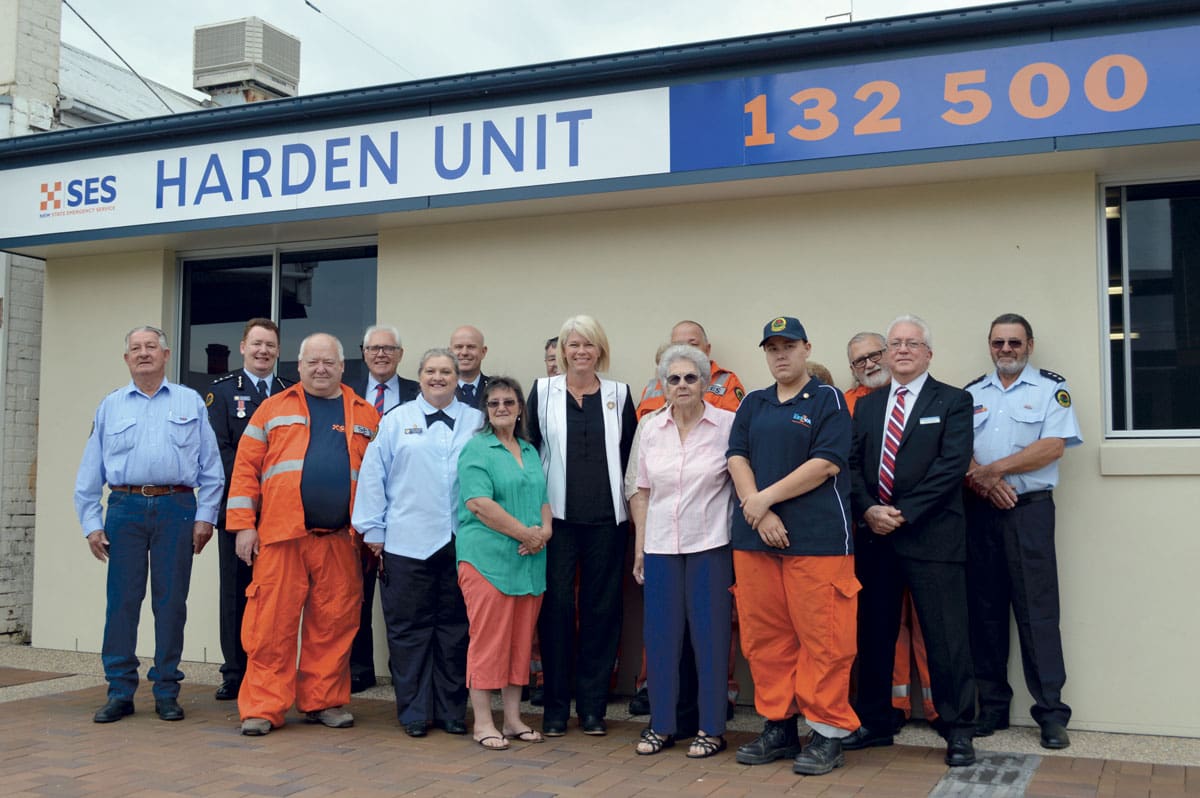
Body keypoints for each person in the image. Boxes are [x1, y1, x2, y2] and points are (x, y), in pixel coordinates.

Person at [726, 316, 860, 777]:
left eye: (788, 346)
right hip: (754, 538)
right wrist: (757, 510)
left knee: (823, 638)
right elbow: (736, 456)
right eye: (771, 348)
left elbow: (826, 463)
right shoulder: (755, 404)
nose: (780, 355)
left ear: (806, 348)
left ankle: (826, 732)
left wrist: (766, 499)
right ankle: (779, 726)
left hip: (818, 541)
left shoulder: (828, 400)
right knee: (766, 639)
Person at [227, 333, 380, 736]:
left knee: (334, 624)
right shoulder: (272, 409)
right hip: (281, 537)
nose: (321, 368)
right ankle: (262, 707)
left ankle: (323, 701)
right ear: (299, 366)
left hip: (341, 540)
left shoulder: (366, 414)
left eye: (329, 361)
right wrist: (243, 526)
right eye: (312, 362)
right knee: (270, 627)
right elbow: (245, 471)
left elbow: (381, 481)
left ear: (343, 366)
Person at [74, 325, 223, 723]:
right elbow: (90, 472)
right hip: (124, 507)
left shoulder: (191, 402)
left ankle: (166, 690)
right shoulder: (111, 406)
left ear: (166, 354)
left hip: (177, 507)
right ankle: (120, 691)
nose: (143, 353)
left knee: (171, 602)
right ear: (126, 359)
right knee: (122, 603)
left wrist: (206, 517)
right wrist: (92, 524)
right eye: (136, 348)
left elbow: (212, 469)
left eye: (151, 347)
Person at [847, 315, 977, 767]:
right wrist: (868, 509)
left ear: (928, 353)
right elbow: (853, 467)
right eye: (895, 343)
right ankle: (875, 723)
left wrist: (901, 514)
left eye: (912, 343)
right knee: (874, 634)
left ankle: (959, 729)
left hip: (932, 536)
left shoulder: (956, 401)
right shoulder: (867, 406)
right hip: (876, 539)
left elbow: (951, 466)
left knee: (946, 637)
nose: (902, 350)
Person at [965, 313, 1082, 750]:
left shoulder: (1052, 388)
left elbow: (1052, 447)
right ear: (990, 346)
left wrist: (995, 471)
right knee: (985, 611)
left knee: (1037, 613)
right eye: (998, 343)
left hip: (1030, 512)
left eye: (1015, 342)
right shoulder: (971, 392)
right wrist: (986, 482)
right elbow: (957, 451)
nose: (1006, 349)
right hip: (981, 512)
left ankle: (1051, 714)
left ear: (1029, 344)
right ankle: (992, 707)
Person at [352, 348, 483, 737]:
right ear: (420, 376)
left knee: (455, 629)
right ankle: (413, 711)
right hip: (407, 543)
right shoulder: (395, 421)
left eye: (446, 371)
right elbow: (374, 475)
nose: (438, 377)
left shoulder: (477, 422)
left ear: (458, 378)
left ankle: (451, 711)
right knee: (408, 631)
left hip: (461, 542)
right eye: (431, 371)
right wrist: (372, 530)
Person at [527, 314, 636, 737]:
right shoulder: (541, 391)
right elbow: (529, 453)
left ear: (599, 350)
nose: (580, 352)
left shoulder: (619, 394)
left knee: (602, 613)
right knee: (554, 613)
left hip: (607, 522)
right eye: (573, 345)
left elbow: (632, 459)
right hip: (557, 523)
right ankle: (555, 708)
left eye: (588, 344)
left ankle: (592, 708)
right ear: (561, 351)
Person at [631, 345, 735, 759]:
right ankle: (662, 724)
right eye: (673, 379)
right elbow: (641, 491)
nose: (681, 385)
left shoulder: (727, 424)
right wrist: (640, 547)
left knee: (710, 639)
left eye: (690, 378)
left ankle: (711, 728)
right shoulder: (650, 428)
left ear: (705, 383)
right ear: (663, 385)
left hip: (710, 544)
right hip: (659, 547)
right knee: (660, 639)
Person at [844, 331, 937, 729]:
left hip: (925, 528)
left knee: (932, 626)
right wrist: (868, 511)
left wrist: (904, 512)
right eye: (858, 361)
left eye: (874, 354)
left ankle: (938, 709)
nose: (869, 364)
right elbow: (844, 465)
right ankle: (887, 710)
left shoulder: (935, 397)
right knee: (878, 627)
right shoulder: (848, 404)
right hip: (871, 531)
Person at [455, 376, 552, 750]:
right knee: (489, 641)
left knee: (519, 644)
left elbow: (543, 499)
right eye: (493, 403)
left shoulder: (528, 450)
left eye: (508, 402)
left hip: (528, 561)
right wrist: (524, 535)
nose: (501, 409)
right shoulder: (477, 450)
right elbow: (479, 504)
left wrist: (543, 531)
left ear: (519, 408)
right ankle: (483, 722)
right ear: (486, 410)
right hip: (488, 561)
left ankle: (512, 720)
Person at [207, 318, 291, 702]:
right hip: (239, 511)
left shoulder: (290, 392)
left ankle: (269, 669)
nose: (263, 351)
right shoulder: (223, 394)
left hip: (281, 514)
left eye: (270, 345)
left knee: (276, 595)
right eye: (256, 344)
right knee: (236, 594)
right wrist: (255, 491)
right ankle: (235, 671)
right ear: (243, 347)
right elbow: (220, 452)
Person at [347, 324, 420, 694]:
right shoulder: (346, 394)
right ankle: (358, 669)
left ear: (400, 354)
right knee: (356, 593)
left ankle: (403, 673)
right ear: (363, 352)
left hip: (407, 510)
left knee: (404, 599)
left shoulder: (418, 393)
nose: (381, 355)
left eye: (388, 349)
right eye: (374, 348)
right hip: (358, 510)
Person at [636, 320, 745, 420]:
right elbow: (639, 429)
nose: (686, 350)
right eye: (678, 345)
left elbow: (733, 426)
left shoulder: (726, 381)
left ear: (707, 349)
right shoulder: (652, 386)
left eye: (693, 344)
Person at [844, 332, 889, 416]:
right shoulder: (846, 404)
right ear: (853, 370)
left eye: (874, 355)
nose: (870, 365)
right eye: (860, 361)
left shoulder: (912, 390)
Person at [451, 325, 489, 408]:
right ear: (450, 352)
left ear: (483, 352)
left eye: (471, 347)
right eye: (459, 347)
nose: (464, 352)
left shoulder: (495, 388)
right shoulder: (440, 390)